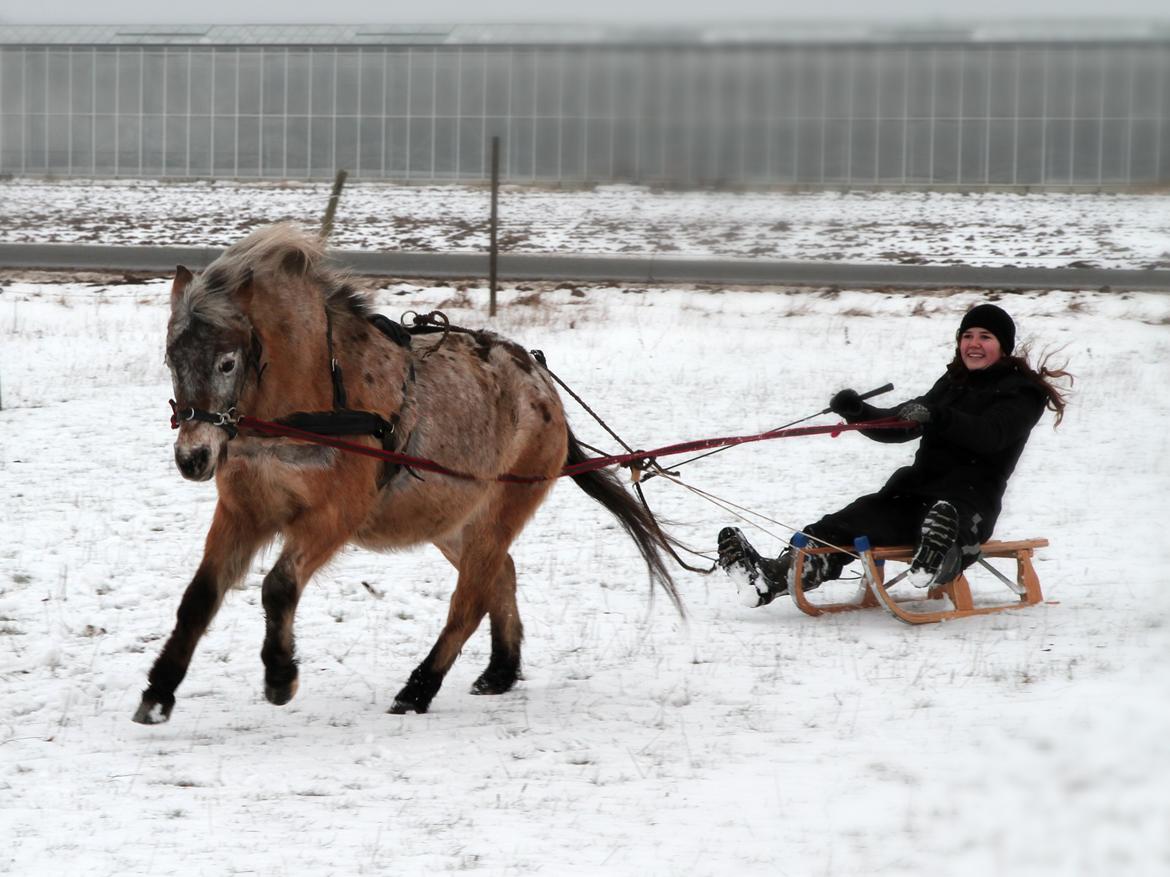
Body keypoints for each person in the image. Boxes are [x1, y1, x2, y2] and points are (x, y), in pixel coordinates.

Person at [718, 302, 1071, 608]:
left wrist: (938, 416)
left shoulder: (1022, 393)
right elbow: (900, 425)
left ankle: (937, 559)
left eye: (985, 337)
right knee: (839, 525)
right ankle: (771, 579)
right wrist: (858, 412)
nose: (974, 344)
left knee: (947, 523)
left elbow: (992, 435)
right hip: (912, 497)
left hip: (969, 502)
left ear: (1003, 347)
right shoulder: (951, 384)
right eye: (968, 336)